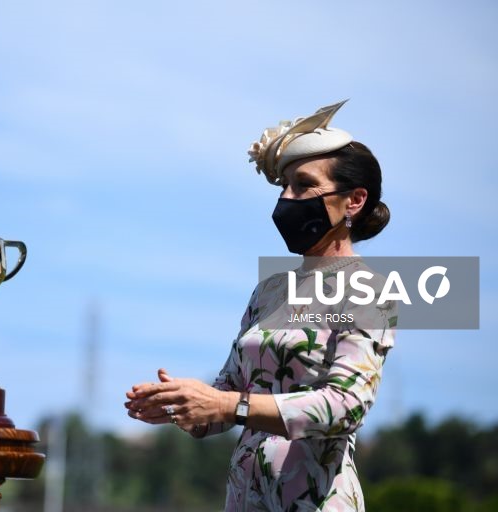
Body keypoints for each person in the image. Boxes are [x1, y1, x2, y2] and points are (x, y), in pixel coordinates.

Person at [124, 100, 394, 511]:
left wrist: (227, 405)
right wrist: (185, 405)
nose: (287, 197)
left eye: (303, 184)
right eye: (284, 186)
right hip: (246, 498)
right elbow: (229, 395)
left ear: (354, 201)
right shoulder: (269, 291)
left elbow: (346, 405)